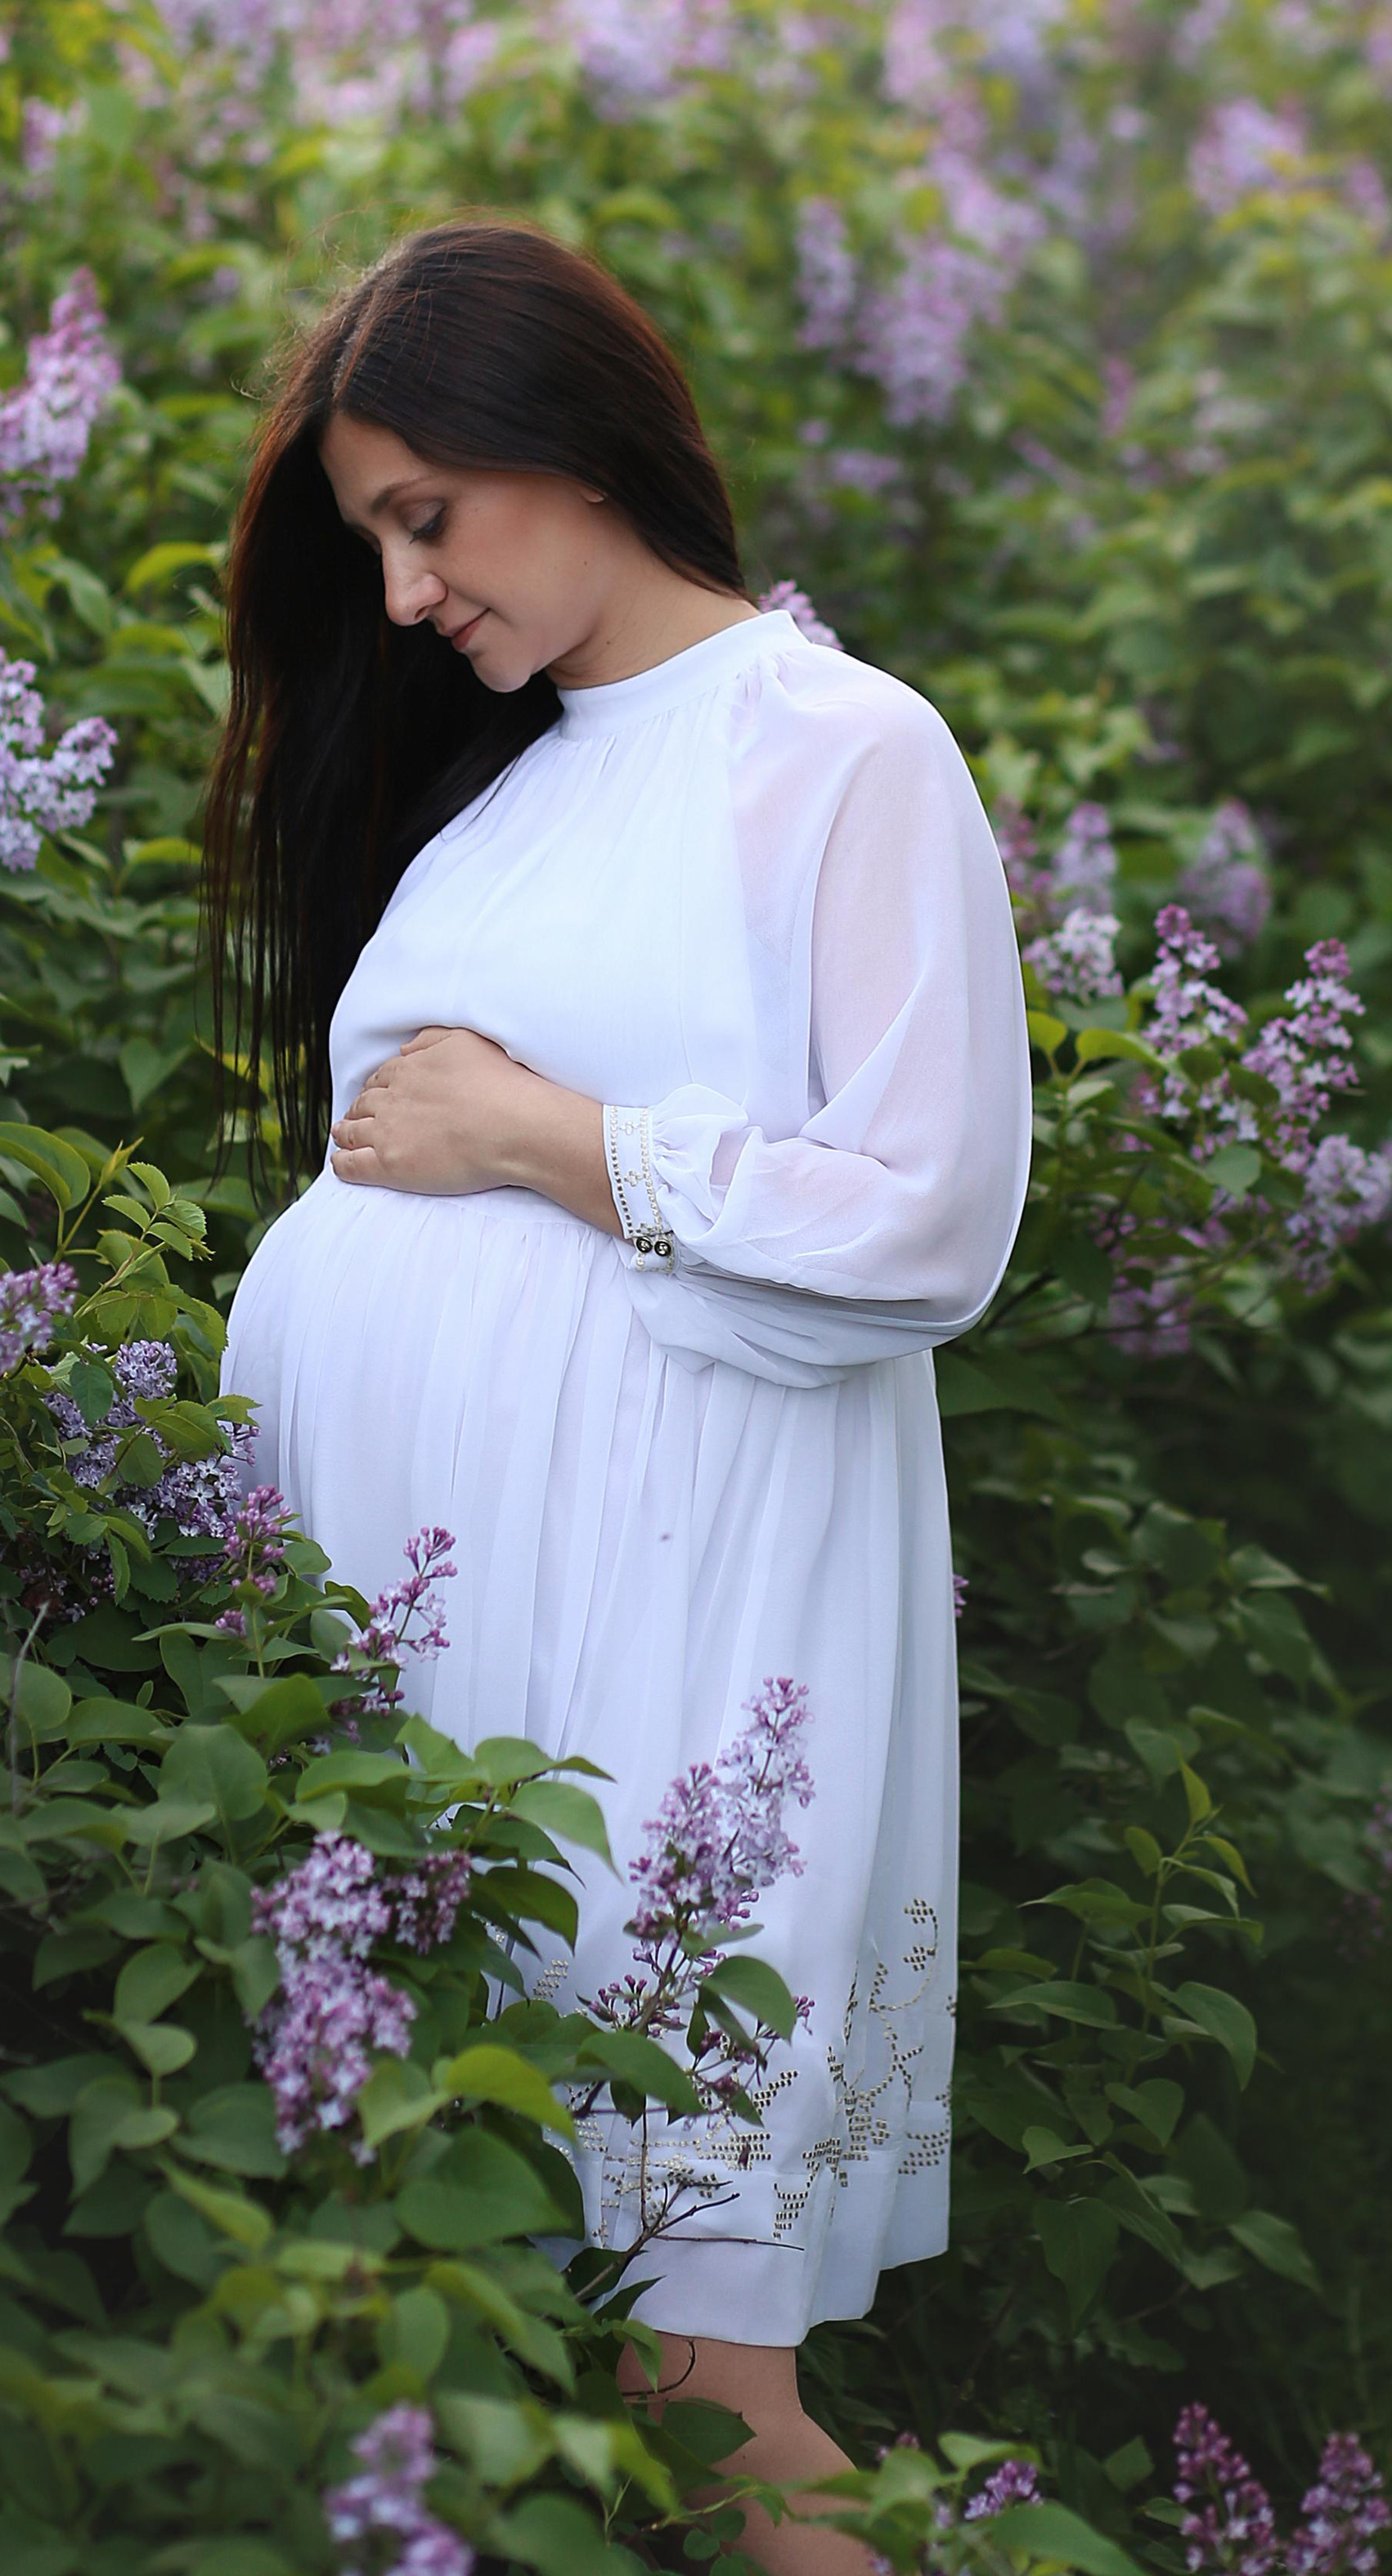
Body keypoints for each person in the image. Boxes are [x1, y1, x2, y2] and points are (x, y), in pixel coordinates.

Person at [207, 218, 1031, 2570]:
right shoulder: (512, 792)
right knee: (463, 2364)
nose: (396, 595)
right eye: (371, 536)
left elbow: (927, 1217)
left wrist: (537, 1142)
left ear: (564, 444)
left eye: (421, 518)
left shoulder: (839, 751)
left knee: (701, 2396)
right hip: (435, 1682)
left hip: (689, 1660)